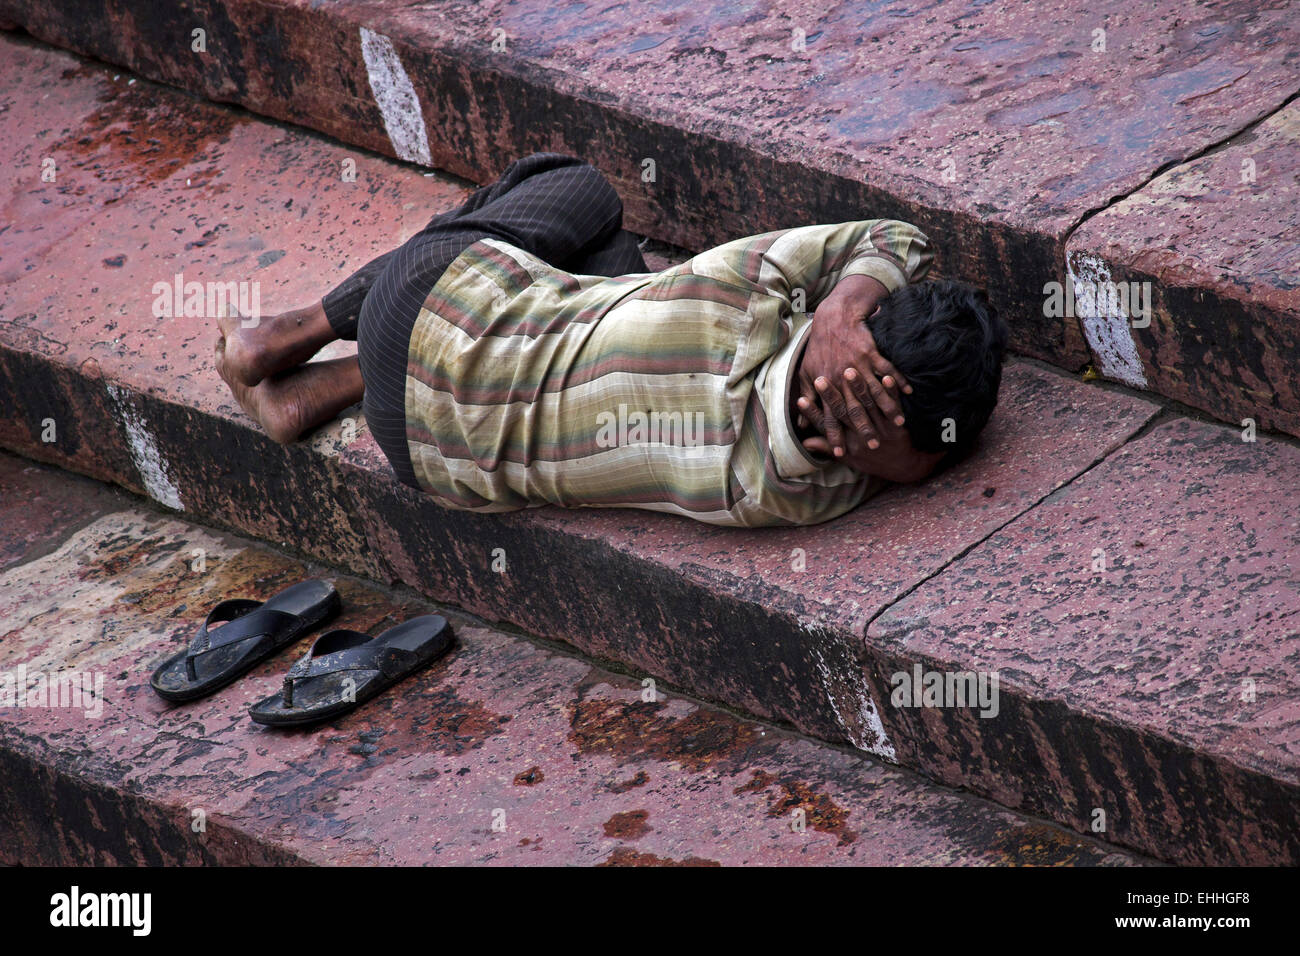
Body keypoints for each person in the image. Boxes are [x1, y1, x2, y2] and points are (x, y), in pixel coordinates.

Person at [215, 153, 1006, 527]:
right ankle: (331, 386)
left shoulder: (751, 285)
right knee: (615, 275)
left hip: (416, 309)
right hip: (429, 457)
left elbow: (895, 239)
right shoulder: (782, 491)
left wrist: (842, 306)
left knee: (581, 189)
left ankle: (290, 333)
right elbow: (892, 450)